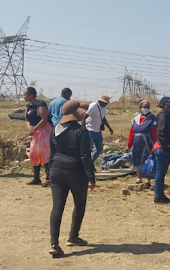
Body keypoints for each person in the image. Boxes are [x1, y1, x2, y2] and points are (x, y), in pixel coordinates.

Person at [47, 100, 97, 257]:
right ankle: (73, 237)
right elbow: (85, 156)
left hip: (56, 170)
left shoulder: (55, 129)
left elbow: (51, 153)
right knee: (79, 204)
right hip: (75, 171)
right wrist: (91, 177)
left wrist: (48, 174)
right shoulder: (81, 131)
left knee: (57, 207)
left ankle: (54, 244)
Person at [24, 87, 52, 186]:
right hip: (35, 133)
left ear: (31, 95)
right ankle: (36, 178)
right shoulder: (28, 106)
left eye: (26, 94)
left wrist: (34, 128)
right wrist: (29, 128)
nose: (24, 96)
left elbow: (44, 119)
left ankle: (49, 178)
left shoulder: (40, 104)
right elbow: (27, 119)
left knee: (45, 153)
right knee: (34, 153)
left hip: (44, 131)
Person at [125, 100, 157, 184]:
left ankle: (147, 178)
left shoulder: (152, 119)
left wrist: (155, 145)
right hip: (137, 142)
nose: (145, 109)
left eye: (147, 107)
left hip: (147, 142)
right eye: (144, 107)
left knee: (147, 159)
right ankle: (138, 177)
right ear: (140, 108)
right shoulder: (135, 119)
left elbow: (154, 134)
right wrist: (129, 145)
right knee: (137, 158)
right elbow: (131, 133)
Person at [154, 96, 170, 204]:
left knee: (161, 173)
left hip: (163, 148)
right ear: (163, 106)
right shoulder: (163, 116)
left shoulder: (165, 115)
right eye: (169, 105)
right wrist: (168, 147)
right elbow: (161, 133)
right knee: (160, 173)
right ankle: (158, 196)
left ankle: (160, 195)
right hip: (163, 149)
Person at [84, 94, 114, 163]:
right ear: (100, 101)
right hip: (90, 130)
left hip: (97, 130)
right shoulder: (93, 106)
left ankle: (91, 162)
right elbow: (85, 117)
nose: (105, 104)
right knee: (89, 149)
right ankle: (87, 165)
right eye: (105, 103)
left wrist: (109, 127)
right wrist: (83, 128)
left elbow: (103, 118)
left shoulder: (104, 107)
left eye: (106, 103)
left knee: (100, 149)